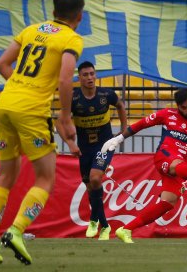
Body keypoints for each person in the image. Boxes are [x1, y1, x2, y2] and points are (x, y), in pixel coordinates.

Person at [0, 0, 85, 265]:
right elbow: (64, 79)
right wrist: (64, 117)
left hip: (5, 105)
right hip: (31, 111)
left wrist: (20, 89)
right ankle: (16, 231)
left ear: (54, 10)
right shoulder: (71, 39)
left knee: (6, 176)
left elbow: (2, 64)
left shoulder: (31, 29)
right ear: (79, 17)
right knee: (45, 179)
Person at [101, 88, 187, 243]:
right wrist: (118, 139)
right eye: (183, 107)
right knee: (177, 163)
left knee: (168, 203)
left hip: (181, 167)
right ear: (177, 106)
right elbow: (141, 124)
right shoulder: (167, 114)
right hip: (164, 157)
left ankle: (126, 230)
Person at [56, 61, 127, 240]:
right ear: (79, 78)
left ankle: (94, 219)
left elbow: (120, 106)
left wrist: (124, 130)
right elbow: (59, 122)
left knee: (96, 178)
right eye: (85, 75)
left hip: (105, 145)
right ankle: (104, 225)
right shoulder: (73, 98)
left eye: (92, 74)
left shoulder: (106, 94)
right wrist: (71, 144)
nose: (90, 78)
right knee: (90, 187)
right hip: (84, 148)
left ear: (96, 75)